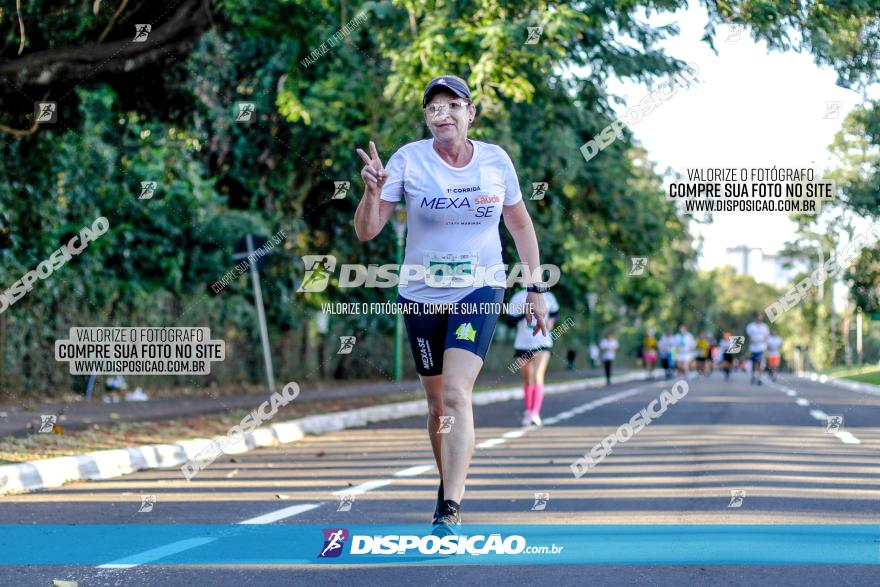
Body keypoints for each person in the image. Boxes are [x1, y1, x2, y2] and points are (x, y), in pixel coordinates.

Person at [353, 75, 548, 535]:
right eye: (434, 107)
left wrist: (534, 287)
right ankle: (448, 483)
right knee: (438, 405)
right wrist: (371, 191)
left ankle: (450, 507)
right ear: (427, 118)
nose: (444, 114)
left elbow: (520, 226)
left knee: (459, 393)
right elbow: (367, 231)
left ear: (470, 113)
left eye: (454, 105)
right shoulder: (408, 160)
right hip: (420, 294)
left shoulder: (496, 161)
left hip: (479, 289)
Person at [506, 288, 560, 426]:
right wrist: (526, 311)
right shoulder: (518, 297)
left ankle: (535, 413)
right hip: (523, 343)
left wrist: (551, 322)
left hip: (542, 341)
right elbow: (509, 320)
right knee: (527, 379)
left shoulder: (548, 296)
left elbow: (555, 312)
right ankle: (529, 411)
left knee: (537, 376)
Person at [746, 313, 769, 385]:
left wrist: (765, 343)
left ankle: (759, 378)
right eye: (758, 318)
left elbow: (766, 336)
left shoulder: (765, 326)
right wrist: (753, 341)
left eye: (761, 318)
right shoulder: (751, 326)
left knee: (760, 363)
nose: (759, 319)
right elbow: (749, 336)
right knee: (754, 363)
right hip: (753, 348)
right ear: (755, 318)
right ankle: (753, 376)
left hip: (761, 348)